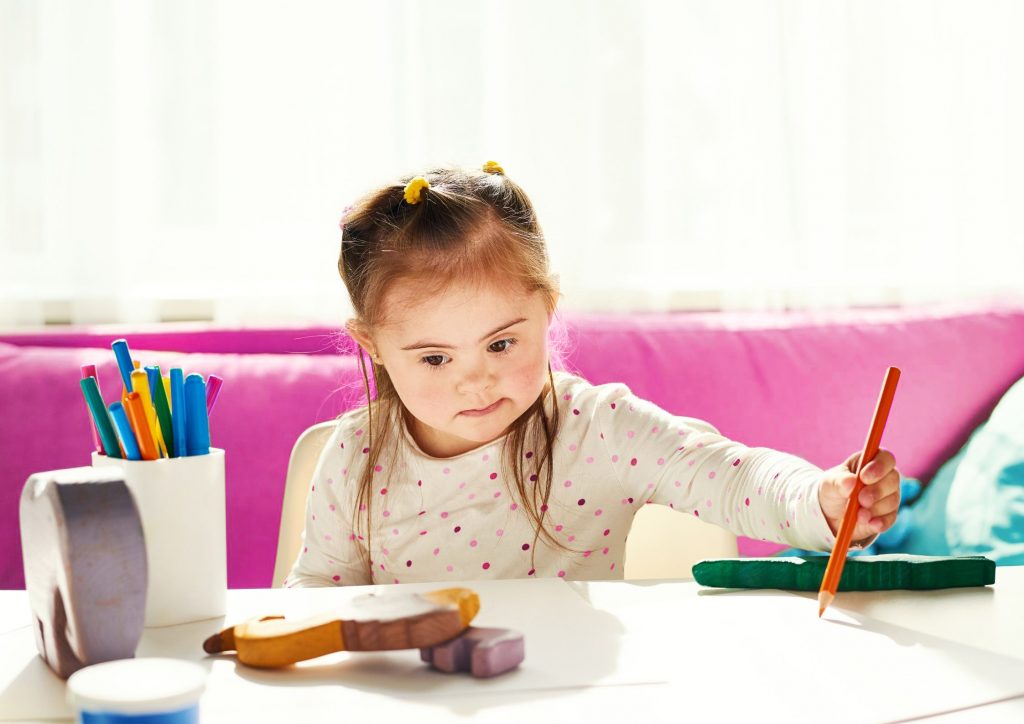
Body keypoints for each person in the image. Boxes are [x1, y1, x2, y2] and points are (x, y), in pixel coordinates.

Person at [284, 162, 901, 587]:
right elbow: (317, 593)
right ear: (374, 346)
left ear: (547, 309)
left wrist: (821, 498)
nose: (476, 383)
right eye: (436, 358)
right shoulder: (357, 455)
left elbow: (732, 478)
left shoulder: (597, 429)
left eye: (501, 343)